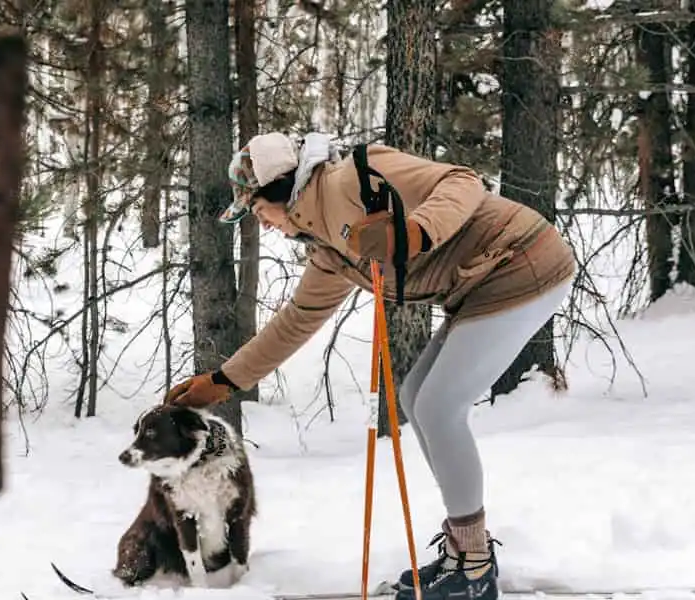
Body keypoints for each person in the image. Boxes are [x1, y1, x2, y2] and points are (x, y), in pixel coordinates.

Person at [164, 131, 576, 600]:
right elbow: (298, 319)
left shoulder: (355, 177)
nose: (264, 224)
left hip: (521, 261)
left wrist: (415, 231)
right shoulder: (328, 250)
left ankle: (475, 565)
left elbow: (462, 182)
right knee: (417, 399)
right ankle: (466, 552)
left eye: (258, 210)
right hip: (481, 284)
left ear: (280, 189)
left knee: (439, 407)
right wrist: (224, 380)